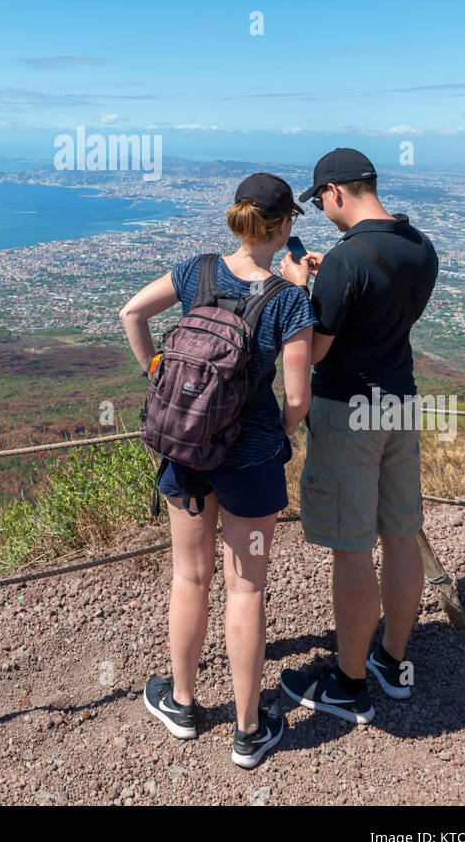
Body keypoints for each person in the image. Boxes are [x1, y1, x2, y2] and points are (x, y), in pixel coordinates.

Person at [119, 173, 315, 768]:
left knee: (190, 577)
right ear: (283, 228)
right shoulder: (288, 301)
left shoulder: (197, 271)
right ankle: (249, 730)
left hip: (186, 452)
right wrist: (275, 433)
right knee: (246, 586)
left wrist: (159, 376)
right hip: (250, 465)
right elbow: (299, 400)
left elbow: (131, 312)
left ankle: (181, 704)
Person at [277, 148, 439, 725]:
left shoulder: (346, 262)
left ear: (337, 192)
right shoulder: (420, 246)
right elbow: (384, 313)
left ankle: (347, 686)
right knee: (400, 533)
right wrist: (331, 280)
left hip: (349, 410)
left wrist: (302, 287)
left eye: (318, 199)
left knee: (352, 547)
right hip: (400, 402)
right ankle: (392, 661)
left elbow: (316, 347)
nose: (320, 209)